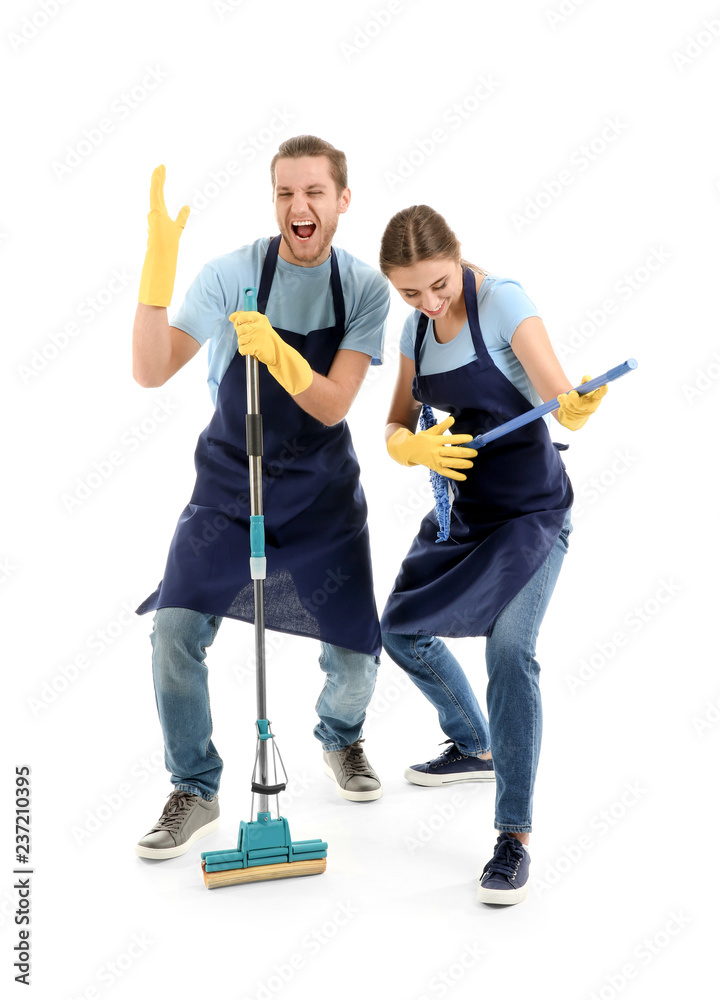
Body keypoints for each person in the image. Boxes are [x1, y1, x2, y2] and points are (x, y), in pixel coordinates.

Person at [131, 136, 390, 860]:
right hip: (226, 488)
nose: (297, 206)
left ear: (342, 200)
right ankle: (195, 787)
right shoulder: (233, 273)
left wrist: (276, 350)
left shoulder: (364, 290)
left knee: (357, 661)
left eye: (313, 192)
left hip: (322, 500)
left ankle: (341, 738)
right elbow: (151, 369)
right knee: (174, 632)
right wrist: (158, 267)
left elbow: (335, 403)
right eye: (284, 193)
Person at [378, 205, 607, 905]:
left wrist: (571, 406)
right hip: (466, 517)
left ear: (457, 257)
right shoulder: (415, 326)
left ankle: (513, 837)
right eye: (410, 291)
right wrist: (408, 446)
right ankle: (474, 742)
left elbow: (557, 392)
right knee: (399, 629)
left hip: (532, 514)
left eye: (438, 285)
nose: (429, 301)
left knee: (510, 653)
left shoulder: (503, 301)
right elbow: (392, 422)